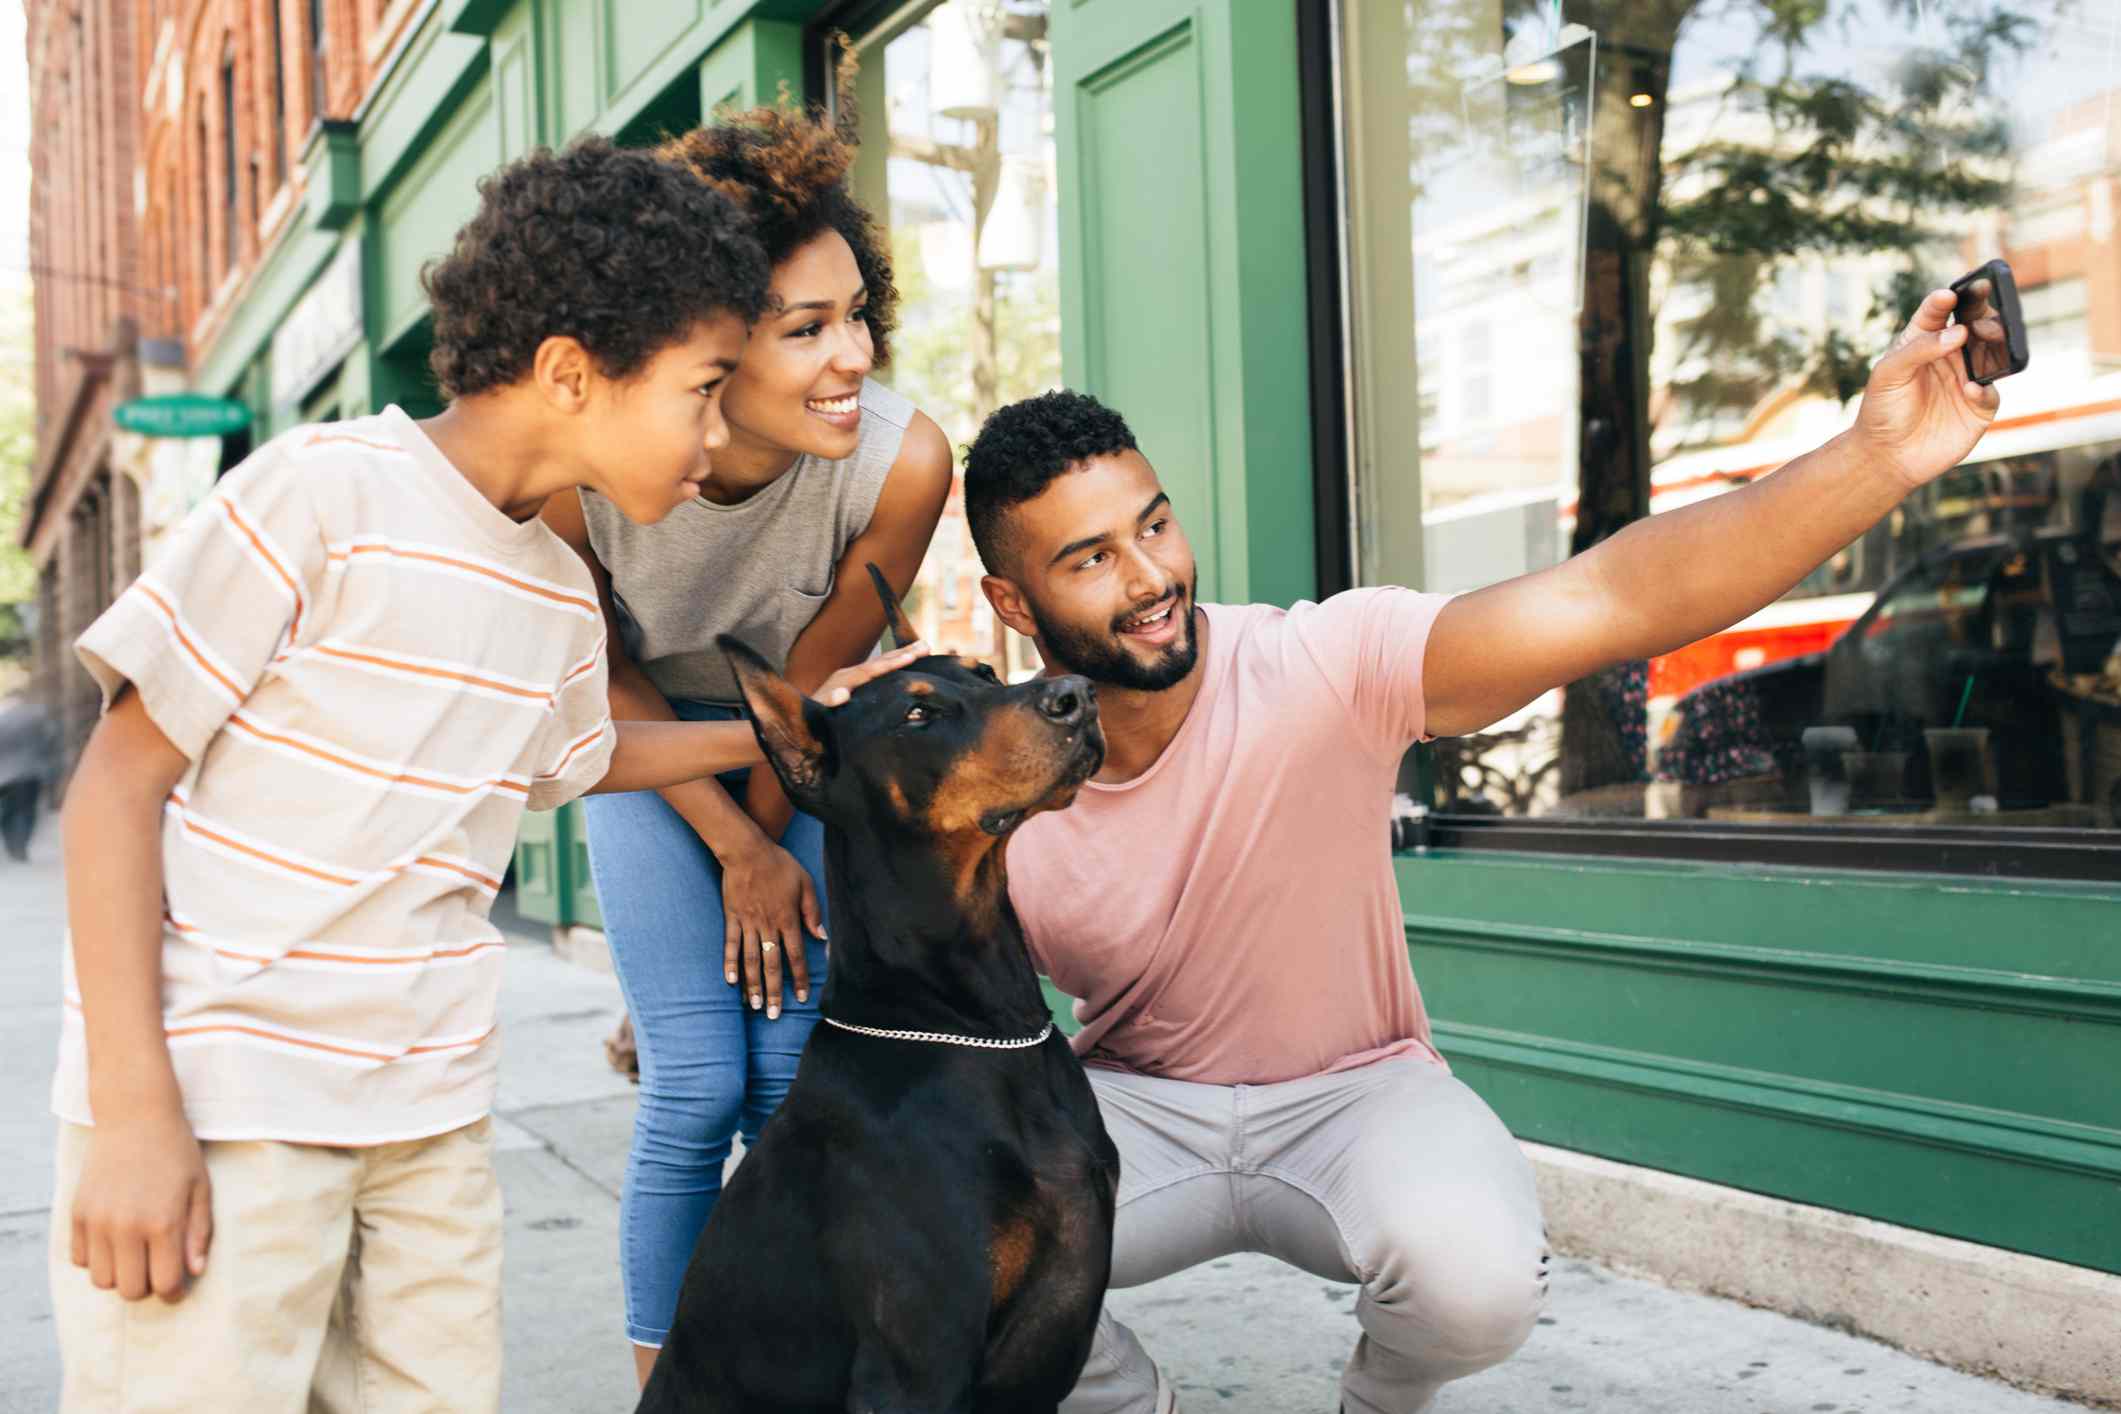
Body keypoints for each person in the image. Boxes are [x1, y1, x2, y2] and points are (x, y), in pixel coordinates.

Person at [960, 291, 2000, 1414]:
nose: (1152, 576)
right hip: (1136, 1113)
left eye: (1155, 524)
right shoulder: (993, 789)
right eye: (1091, 559)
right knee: (935, 1240)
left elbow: (1611, 594)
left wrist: (1877, 456)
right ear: (1012, 601)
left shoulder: (1324, 664)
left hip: (1357, 1096)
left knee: (1478, 1281)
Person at [46, 136, 925, 1414]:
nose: (719, 426)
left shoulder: (559, 587)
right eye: (704, 387)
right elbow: (114, 790)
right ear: (572, 374)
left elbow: (583, 755)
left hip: (431, 1118)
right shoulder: (321, 494)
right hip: (229, 1105)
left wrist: (808, 732)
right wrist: (134, 1112)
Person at [539, 91, 952, 1383]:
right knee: (695, 1086)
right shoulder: (585, 468)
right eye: (805, 329)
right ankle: (665, 1384)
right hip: (640, 741)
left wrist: (772, 843)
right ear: (712, 340)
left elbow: (818, 688)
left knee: (787, 1080)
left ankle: (800, 1372)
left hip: (801, 742)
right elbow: (601, 677)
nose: (853, 357)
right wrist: (728, 851)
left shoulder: (900, 463)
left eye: (859, 315)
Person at [0, 694, 55, 862]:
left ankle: (11, 844)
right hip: (31, 772)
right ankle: (21, 844)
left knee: (8, 811)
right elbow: (49, 741)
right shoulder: (36, 718)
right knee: (27, 810)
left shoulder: (3, 720)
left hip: (4, 775)